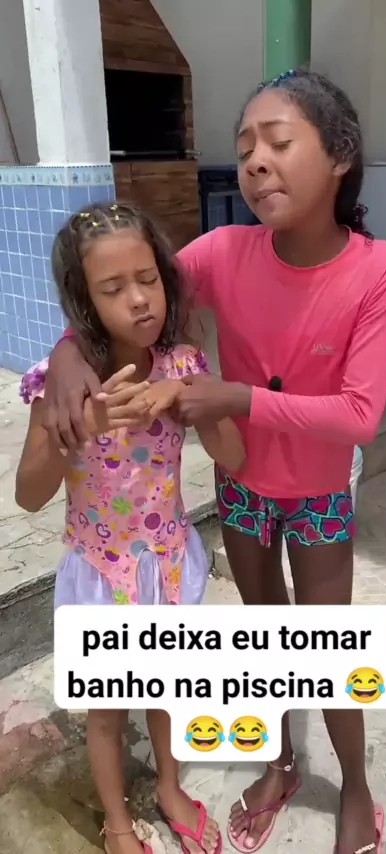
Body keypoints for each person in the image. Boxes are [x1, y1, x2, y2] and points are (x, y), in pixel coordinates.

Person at [39, 70, 386, 854]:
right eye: (244, 150)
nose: (255, 162)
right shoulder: (221, 252)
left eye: (277, 142)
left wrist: (232, 396)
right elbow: (127, 294)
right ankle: (280, 763)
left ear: (339, 154)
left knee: (326, 645)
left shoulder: (379, 270)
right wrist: (67, 354)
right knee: (266, 634)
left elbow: (360, 415)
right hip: (241, 483)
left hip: (317, 490)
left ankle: (355, 785)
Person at [15, 202, 246, 854]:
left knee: (165, 691)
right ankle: (117, 822)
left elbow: (233, 457)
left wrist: (195, 403)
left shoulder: (183, 366)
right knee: (108, 710)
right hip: (101, 575)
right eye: (113, 288)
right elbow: (28, 496)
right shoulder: (59, 388)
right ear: (85, 301)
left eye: (147, 279)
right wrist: (77, 429)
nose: (139, 299)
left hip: (167, 567)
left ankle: (170, 787)